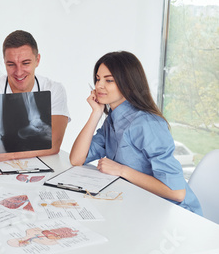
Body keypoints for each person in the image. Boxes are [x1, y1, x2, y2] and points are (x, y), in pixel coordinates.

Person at [69, 51, 202, 215]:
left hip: (175, 214)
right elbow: (77, 158)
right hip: (139, 204)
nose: (99, 86)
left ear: (128, 84)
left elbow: (177, 192)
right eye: (98, 79)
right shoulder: (112, 120)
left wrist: (121, 170)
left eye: (109, 80)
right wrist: (96, 113)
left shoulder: (147, 124)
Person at [0, 30, 70, 166]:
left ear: (37, 60)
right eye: (11, 64)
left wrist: (7, 154)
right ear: (4, 62)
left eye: (25, 63)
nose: (19, 72)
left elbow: (54, 145)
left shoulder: (54, 89)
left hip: (44, 165)